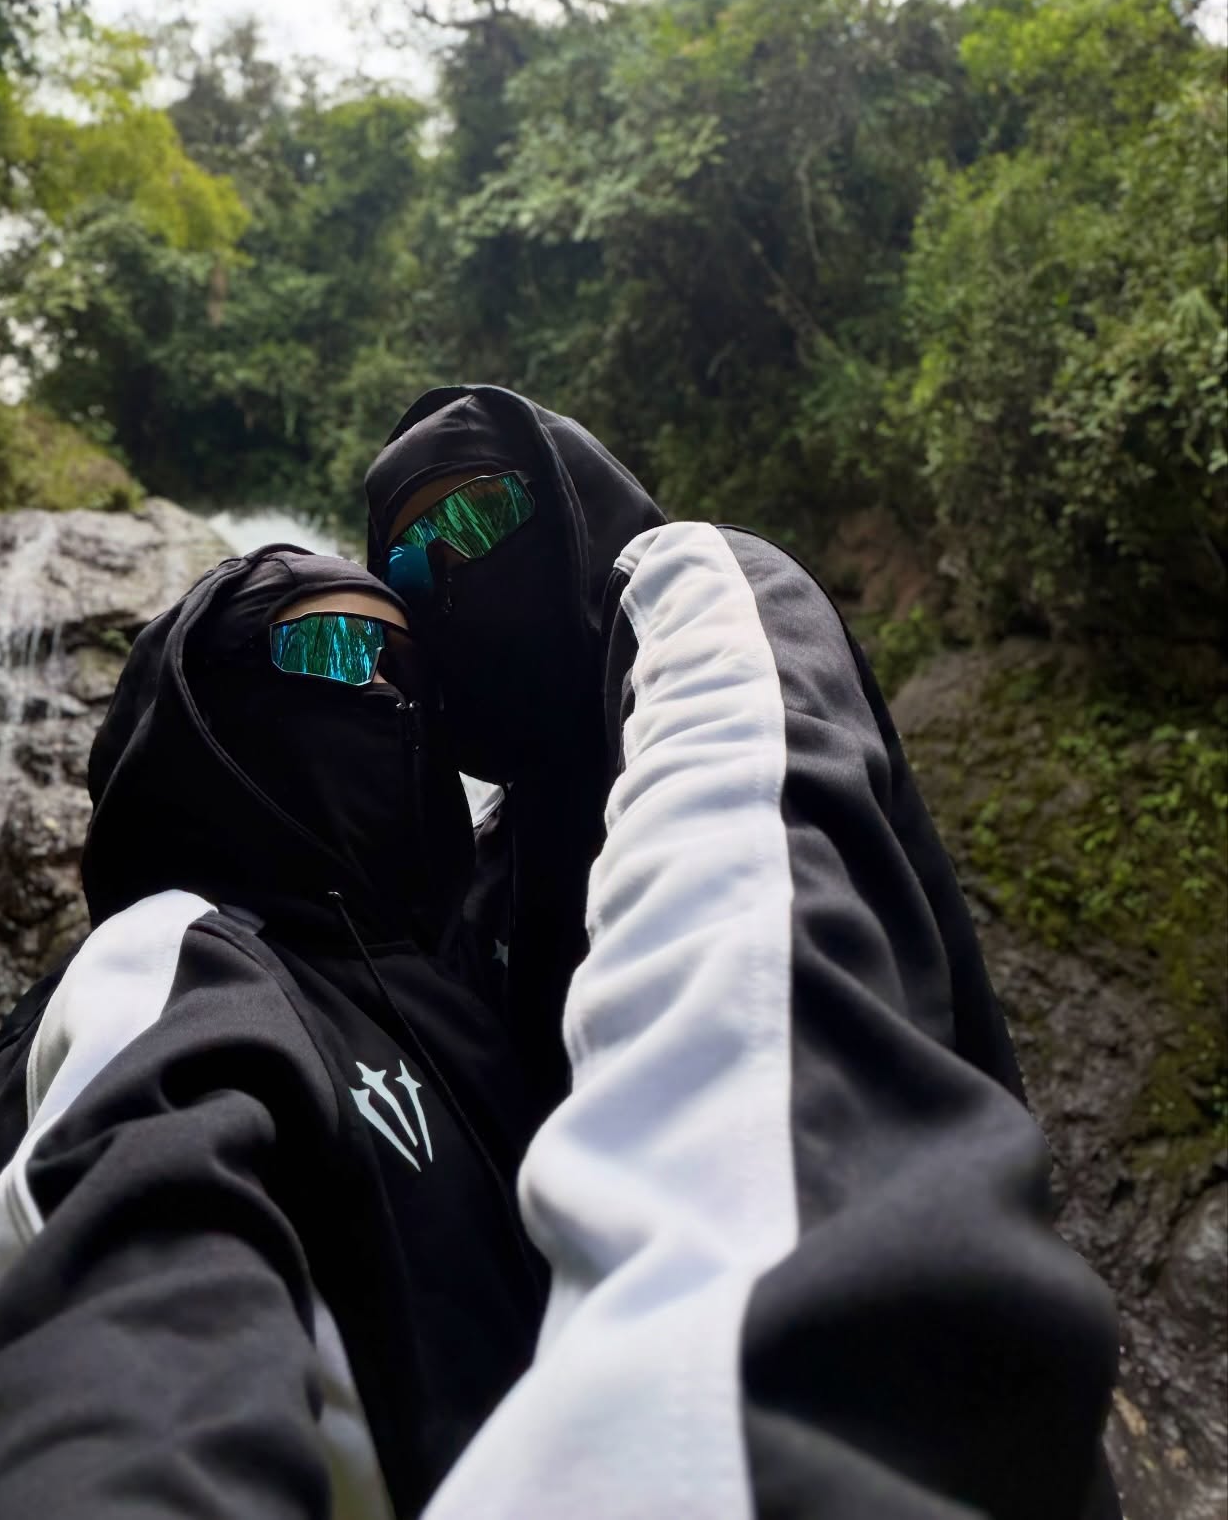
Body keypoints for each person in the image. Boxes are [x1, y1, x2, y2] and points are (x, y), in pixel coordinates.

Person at [365, 385, 1121, 1520]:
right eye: (411, 567)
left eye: (474, 516)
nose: (450, 572)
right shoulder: (491, 870)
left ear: (566, 499)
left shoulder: (698, 597)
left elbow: (757, 865)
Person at [0, 546, 545, 1520]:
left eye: (404, 670)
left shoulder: (472, 996)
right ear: (212, 701)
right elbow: (134, 1292)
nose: (377, 688)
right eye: (333, 645)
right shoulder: (175, 959)